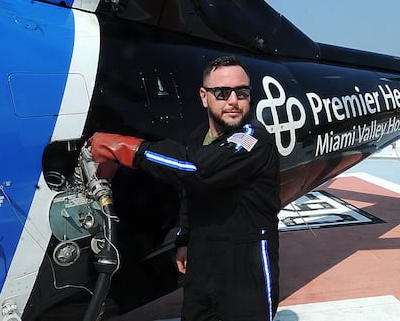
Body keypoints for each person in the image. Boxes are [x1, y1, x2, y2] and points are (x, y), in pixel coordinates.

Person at [89, 56, 281, 321]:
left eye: (242, 92)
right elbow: (190, 193)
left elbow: (198, 171)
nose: (234, 101)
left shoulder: (253, 140)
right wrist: (184, 239)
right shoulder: (198, 136)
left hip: (245, 262)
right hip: (203, 257)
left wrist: (123, 148)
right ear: (204, 97)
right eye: (223, 93)